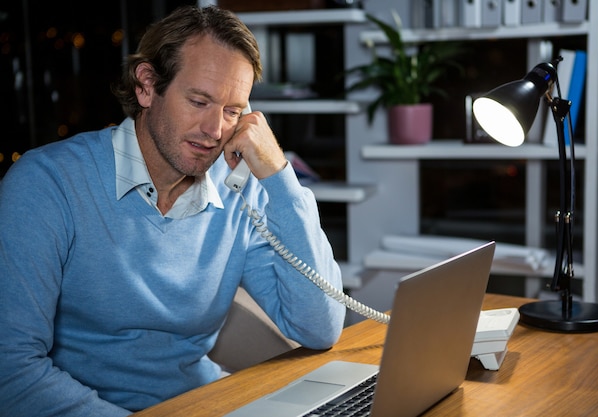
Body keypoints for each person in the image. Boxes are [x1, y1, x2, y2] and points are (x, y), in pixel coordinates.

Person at [0, 5, 345, 416]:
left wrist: (280, 177)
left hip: (205, 403)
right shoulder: (46, 184)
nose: (215, 130)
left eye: (233, 110)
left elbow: (319, 328)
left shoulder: (237, 189)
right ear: (146, 85)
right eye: (199, 101)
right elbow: (12, 372)